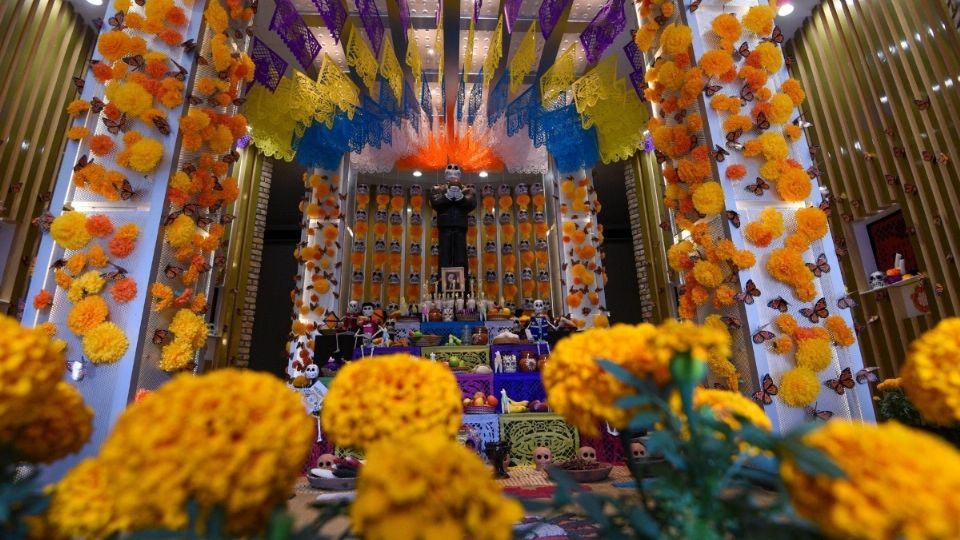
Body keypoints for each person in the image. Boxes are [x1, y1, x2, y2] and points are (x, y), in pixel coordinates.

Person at [430, 164, 476, 278]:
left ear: (460, 173)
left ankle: (463, 285)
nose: (452, 171)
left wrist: (461, 197)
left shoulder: (467, 190)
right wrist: (447, 196)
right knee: (444, 255)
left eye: (456, 169)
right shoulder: (437, 189)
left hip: (460, 226)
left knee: (461, 255)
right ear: (445, 173)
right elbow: (435, 203)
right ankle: (443, 285)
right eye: (449, 169)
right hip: (444, 226)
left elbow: (472, 204)